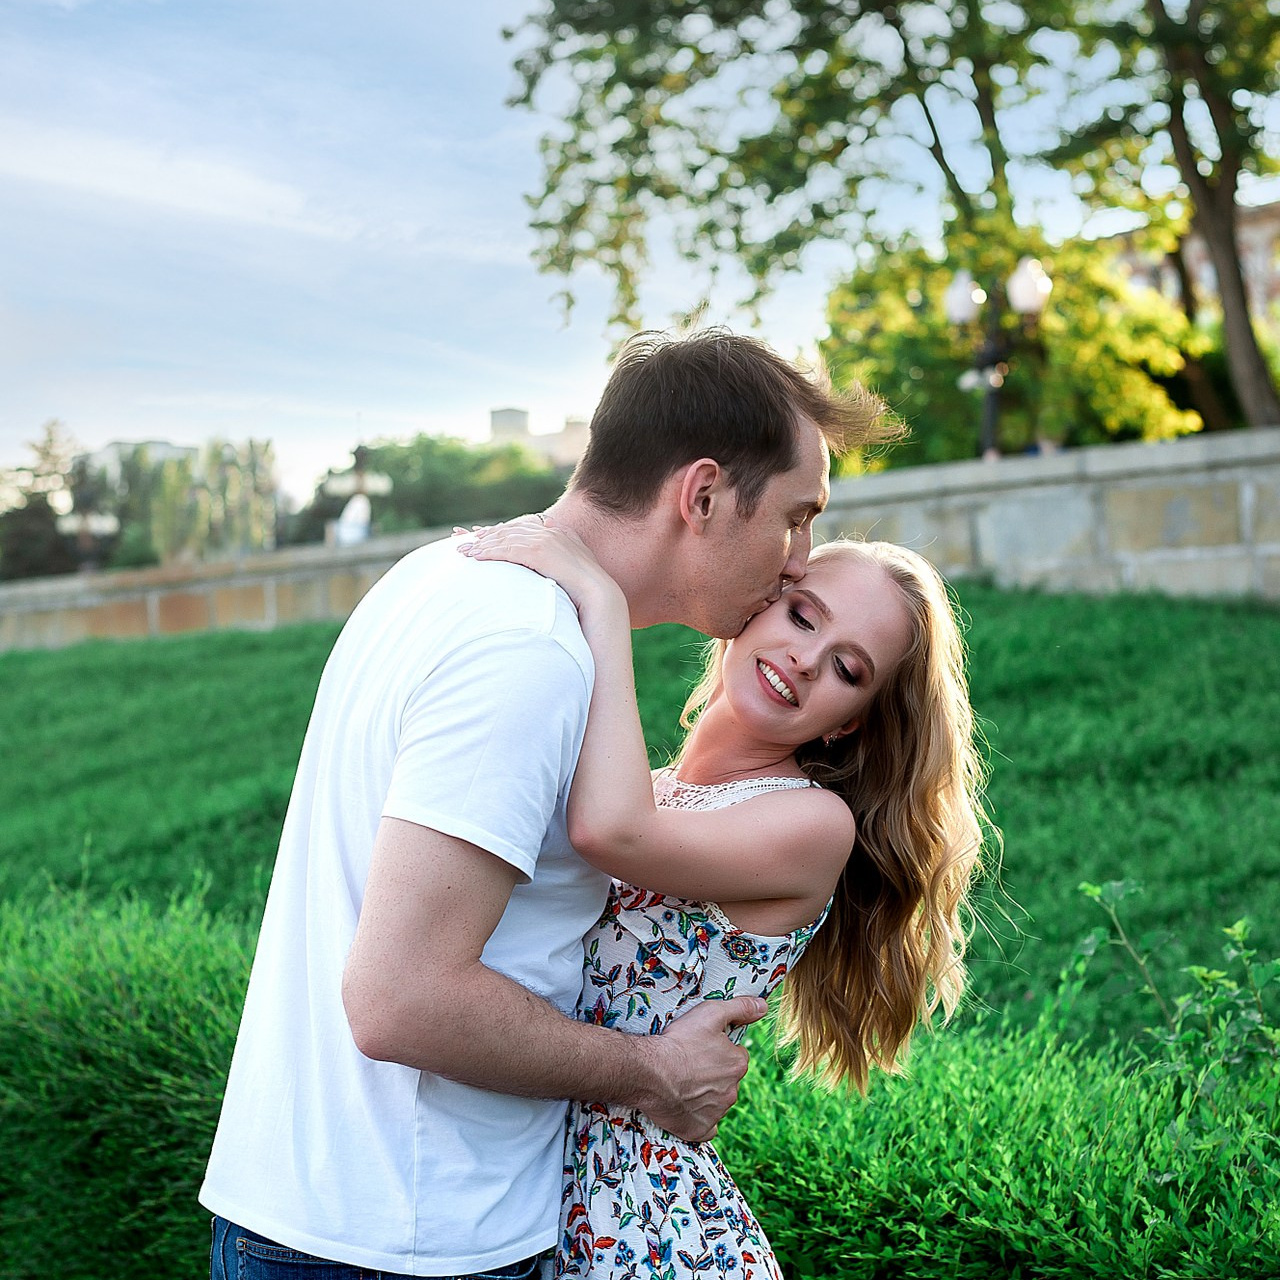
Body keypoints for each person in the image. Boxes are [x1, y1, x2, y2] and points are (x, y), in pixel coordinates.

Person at [201, 328, 893, 1279]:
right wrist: (654, 1070)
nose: (797, 560)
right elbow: (402, 998)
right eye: (796, 516)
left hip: (323, 1206)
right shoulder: (532, 648)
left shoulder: (438, 576)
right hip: (408, 1237)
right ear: (700, 496)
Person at [460, 524, 990, 1279]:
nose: (805, 659)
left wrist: (602, 604)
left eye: (847, 668)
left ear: (849, 722)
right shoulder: (665, 790)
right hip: (536, 1203)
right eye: (802, 615)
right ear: (755, 611)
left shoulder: (810, 823)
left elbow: (609, 832)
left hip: (646, 1233)